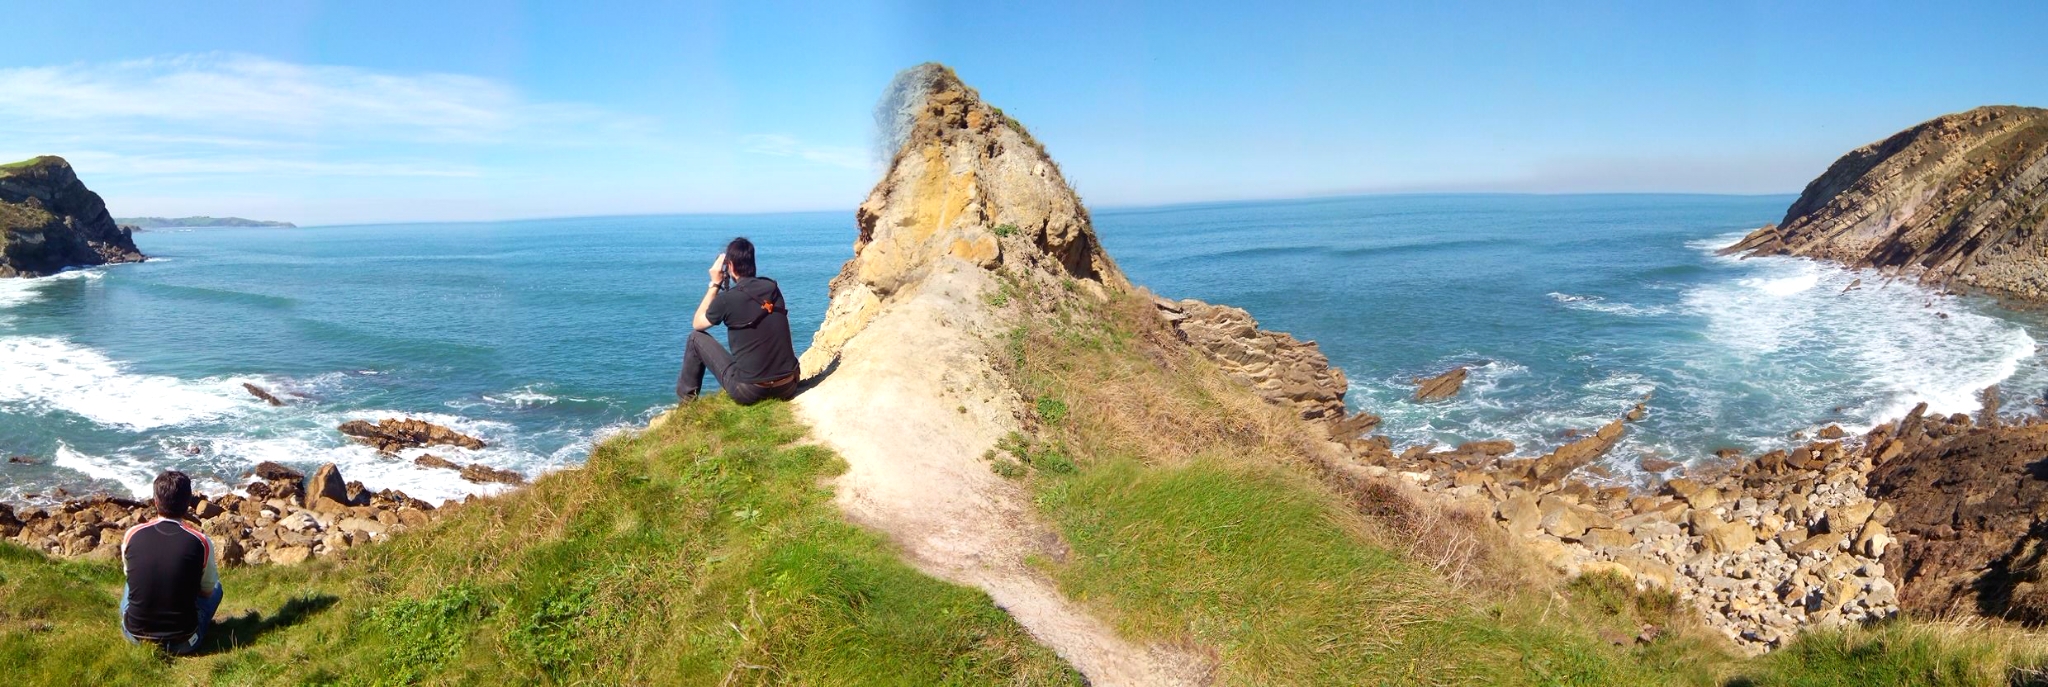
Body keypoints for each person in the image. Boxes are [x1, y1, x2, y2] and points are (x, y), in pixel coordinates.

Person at [677, 237, 800, 405]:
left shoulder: (726, 299)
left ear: (730, 266)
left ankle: (687, 404)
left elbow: (697, 324)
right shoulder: (772, 288)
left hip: (750, 392)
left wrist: (715, 284)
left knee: (694, 338)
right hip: (788, 385)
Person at [120, 470, 223, 655]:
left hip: (135, 636)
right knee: (217, 588)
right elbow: (207, 592)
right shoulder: (201, 541)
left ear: (155, 501)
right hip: (185, 641)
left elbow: (130, 575)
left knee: (129, 585)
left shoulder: (132, 534)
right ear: (188, 504)